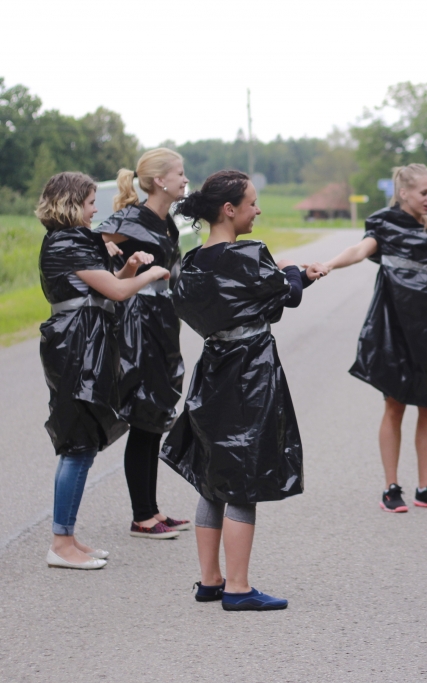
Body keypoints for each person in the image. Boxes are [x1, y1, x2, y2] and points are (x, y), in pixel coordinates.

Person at [160, 170, 324, 610]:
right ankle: (238, 588)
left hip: (212, 367)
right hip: (250, 371)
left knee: (211, 475)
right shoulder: (250, 256)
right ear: (229, 210)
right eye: (252, 203)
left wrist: (289, 278)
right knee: (243, 478)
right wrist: (296, 273)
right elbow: (283, 296)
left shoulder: (191, 263)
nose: (258, 210)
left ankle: (210, 580)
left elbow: (237, 303)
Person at [318, 164, 427, 513]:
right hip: (393, 321)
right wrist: (329, 264)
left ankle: (425, 487)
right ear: (404, 193)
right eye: (424, 192)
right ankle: (390, 487)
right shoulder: (383, 224)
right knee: (394, 403)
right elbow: (359, 251)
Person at [37, 172, 170, 570]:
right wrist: (150, 273)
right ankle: (61, 544)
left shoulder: (76, 241)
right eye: (91, 201)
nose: (96, 209)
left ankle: (69, 539)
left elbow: (104, 285)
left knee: (84, 444)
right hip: (75, 349)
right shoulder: (64, 242)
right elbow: (113, 293)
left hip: (85, 344)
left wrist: (129, 265)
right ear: (71, 203)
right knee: (78, 447)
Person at [98, 148, 191, 540]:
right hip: (138, 326)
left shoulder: (168, 221)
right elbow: (91, 239)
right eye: (181, 173)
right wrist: (107, 247)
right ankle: (142, 516)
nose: (186, 179)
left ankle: (151, 510)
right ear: (160, 181)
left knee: (155, 417)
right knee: (143, 415)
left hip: (164, 323)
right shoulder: (131, 218)